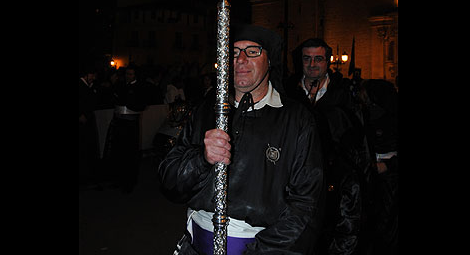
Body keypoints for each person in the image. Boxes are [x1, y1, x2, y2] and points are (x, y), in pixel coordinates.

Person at [159, 24, 325, 255]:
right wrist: (202, 159)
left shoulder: (296, 119)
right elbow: (169, 181)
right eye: (234, 53)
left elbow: (306, 205)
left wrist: (260, 251)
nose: (241, 59)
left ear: (270, 61)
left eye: (253, 51)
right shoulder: (207, 110)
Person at [286, 38, 371, 255]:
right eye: (307, 59)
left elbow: (360, 140)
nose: (312, 64)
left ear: (328, 62)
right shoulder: (288, 93)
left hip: (337, 182)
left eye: (318, 59)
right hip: (297, 180)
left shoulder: (345, 93)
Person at [359, 79, 398, 255]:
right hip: (372, 179)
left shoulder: (390, 117)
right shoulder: (366, 114)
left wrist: (388, 165)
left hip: (390, 182)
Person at [104, 65, 148, 193]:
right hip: (119, 123)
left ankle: (129, 183)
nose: (128, 76)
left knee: (130, 154)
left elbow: (140, 105)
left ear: (135, 75)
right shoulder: (121, 85)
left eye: (131, 74)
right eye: (127, 74)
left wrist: (127, 100)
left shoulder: (140, 88)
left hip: (130, 126)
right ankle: (117, 179)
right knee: (118, 152)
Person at [79, 65, 101, 189]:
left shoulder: (88, 86)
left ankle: (86, 176)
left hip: (87, 120)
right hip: (83, 122)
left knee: (87, 149)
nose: (93, 78)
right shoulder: (81, 86)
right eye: (92, 75)